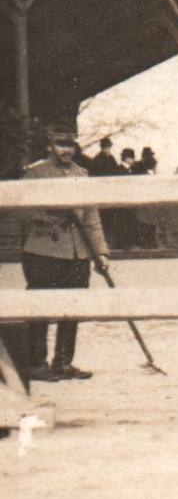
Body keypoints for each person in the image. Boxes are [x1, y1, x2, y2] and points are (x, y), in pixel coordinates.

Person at [20, 122, 110, 382]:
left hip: (77, 252)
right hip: (43, 250)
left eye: (70, 144)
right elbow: (22, 210)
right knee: (40, 307)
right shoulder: (35, 174)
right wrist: (47, 215)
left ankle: (62, 363)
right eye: (60, 144)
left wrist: (100, 252)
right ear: (49, 145)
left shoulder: (82, 176)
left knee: (72, 307)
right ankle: (37, 364)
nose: (66, 150)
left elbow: (91, 217)